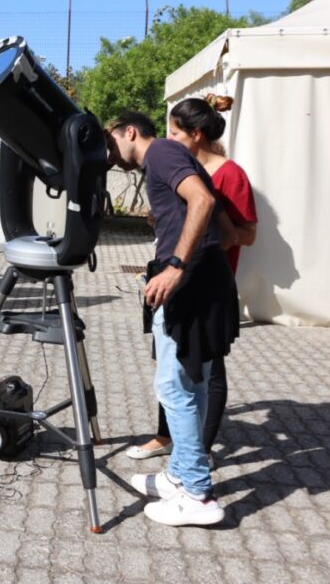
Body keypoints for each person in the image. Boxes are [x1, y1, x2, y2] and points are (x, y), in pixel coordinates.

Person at [107, 110, 239, 527]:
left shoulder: (162, 151)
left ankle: (197, 495)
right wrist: (168, 225)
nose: (109, 155)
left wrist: (177, 264)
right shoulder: (176, 159)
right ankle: (179, 476)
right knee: (192, 383)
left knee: (171, 384)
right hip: (209, 279)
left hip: (189, 283)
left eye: (111, 144)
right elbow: (229, 232)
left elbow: (203, 200)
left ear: (130, 132)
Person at [127, 95, 257, 466]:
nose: (166, 140)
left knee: (203, 374)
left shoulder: (228, 174)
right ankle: (170, 440)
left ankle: (199, 453)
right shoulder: (175, 164)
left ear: (197, 134)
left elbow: (246, 235)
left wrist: (206, 233)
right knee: (171, 373)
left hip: (207, 284)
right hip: (179, 284)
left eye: (173, 132)